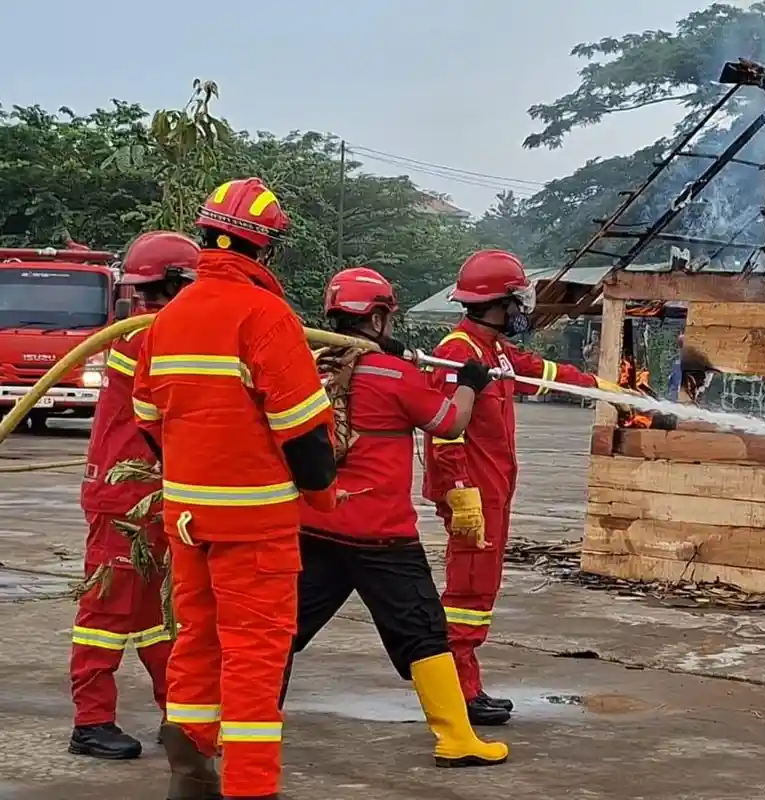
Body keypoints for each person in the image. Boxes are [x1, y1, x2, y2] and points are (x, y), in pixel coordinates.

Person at [133, 177, 342, 800]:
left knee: (195, 642)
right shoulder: (265, 315)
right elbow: (305, 436)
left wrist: (195, 477)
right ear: (266, 249)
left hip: (188, 519)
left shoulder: (168, 318)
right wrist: (323, 496)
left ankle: (189, 773)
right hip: (256, 529)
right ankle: (252, 788)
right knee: (254, 660)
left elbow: (148, 419)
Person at [282, 266, 509, 767]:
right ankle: (456, 738)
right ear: (380, 316)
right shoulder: (393, 374)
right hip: (379, 534)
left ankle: (231, 723)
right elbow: (450, 422)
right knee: (423, 632)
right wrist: (469, 383)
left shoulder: (308, 365)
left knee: (281, 631)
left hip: (314, 524)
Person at [422, 249, 623, 726]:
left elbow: (541, 373)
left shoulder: (491, 351)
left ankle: (466, 685)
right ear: (499, 303)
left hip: (493, 492)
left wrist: (604, 388)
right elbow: (444, 429)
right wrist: (458, 492)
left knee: (480, 593)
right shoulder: (457, 353)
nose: (523, 311)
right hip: (474, 496)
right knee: (468, 598)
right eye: (518, 301)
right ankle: (461, 693)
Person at [70, 231, 199, 760]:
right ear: (177, 283)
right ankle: (91, 721)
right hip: (126, 495)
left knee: (151, 615)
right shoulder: (151, 336)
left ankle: (179, 711)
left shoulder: (151, 331)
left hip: (143, 490)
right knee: (107, 609)